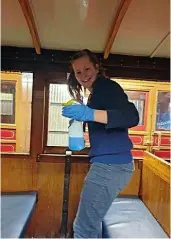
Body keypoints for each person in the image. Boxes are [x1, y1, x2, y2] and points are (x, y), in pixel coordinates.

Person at [62, 49, 139, 238]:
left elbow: (131, 116)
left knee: (84, 227)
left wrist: (89, 114)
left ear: (96, 67)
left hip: (111, 165)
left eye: (87, 68)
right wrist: (78, 121)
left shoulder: (107, 87)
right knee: (88, 224)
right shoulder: (95, 94)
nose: (83, 75)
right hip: (110, 164)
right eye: (78, 72)